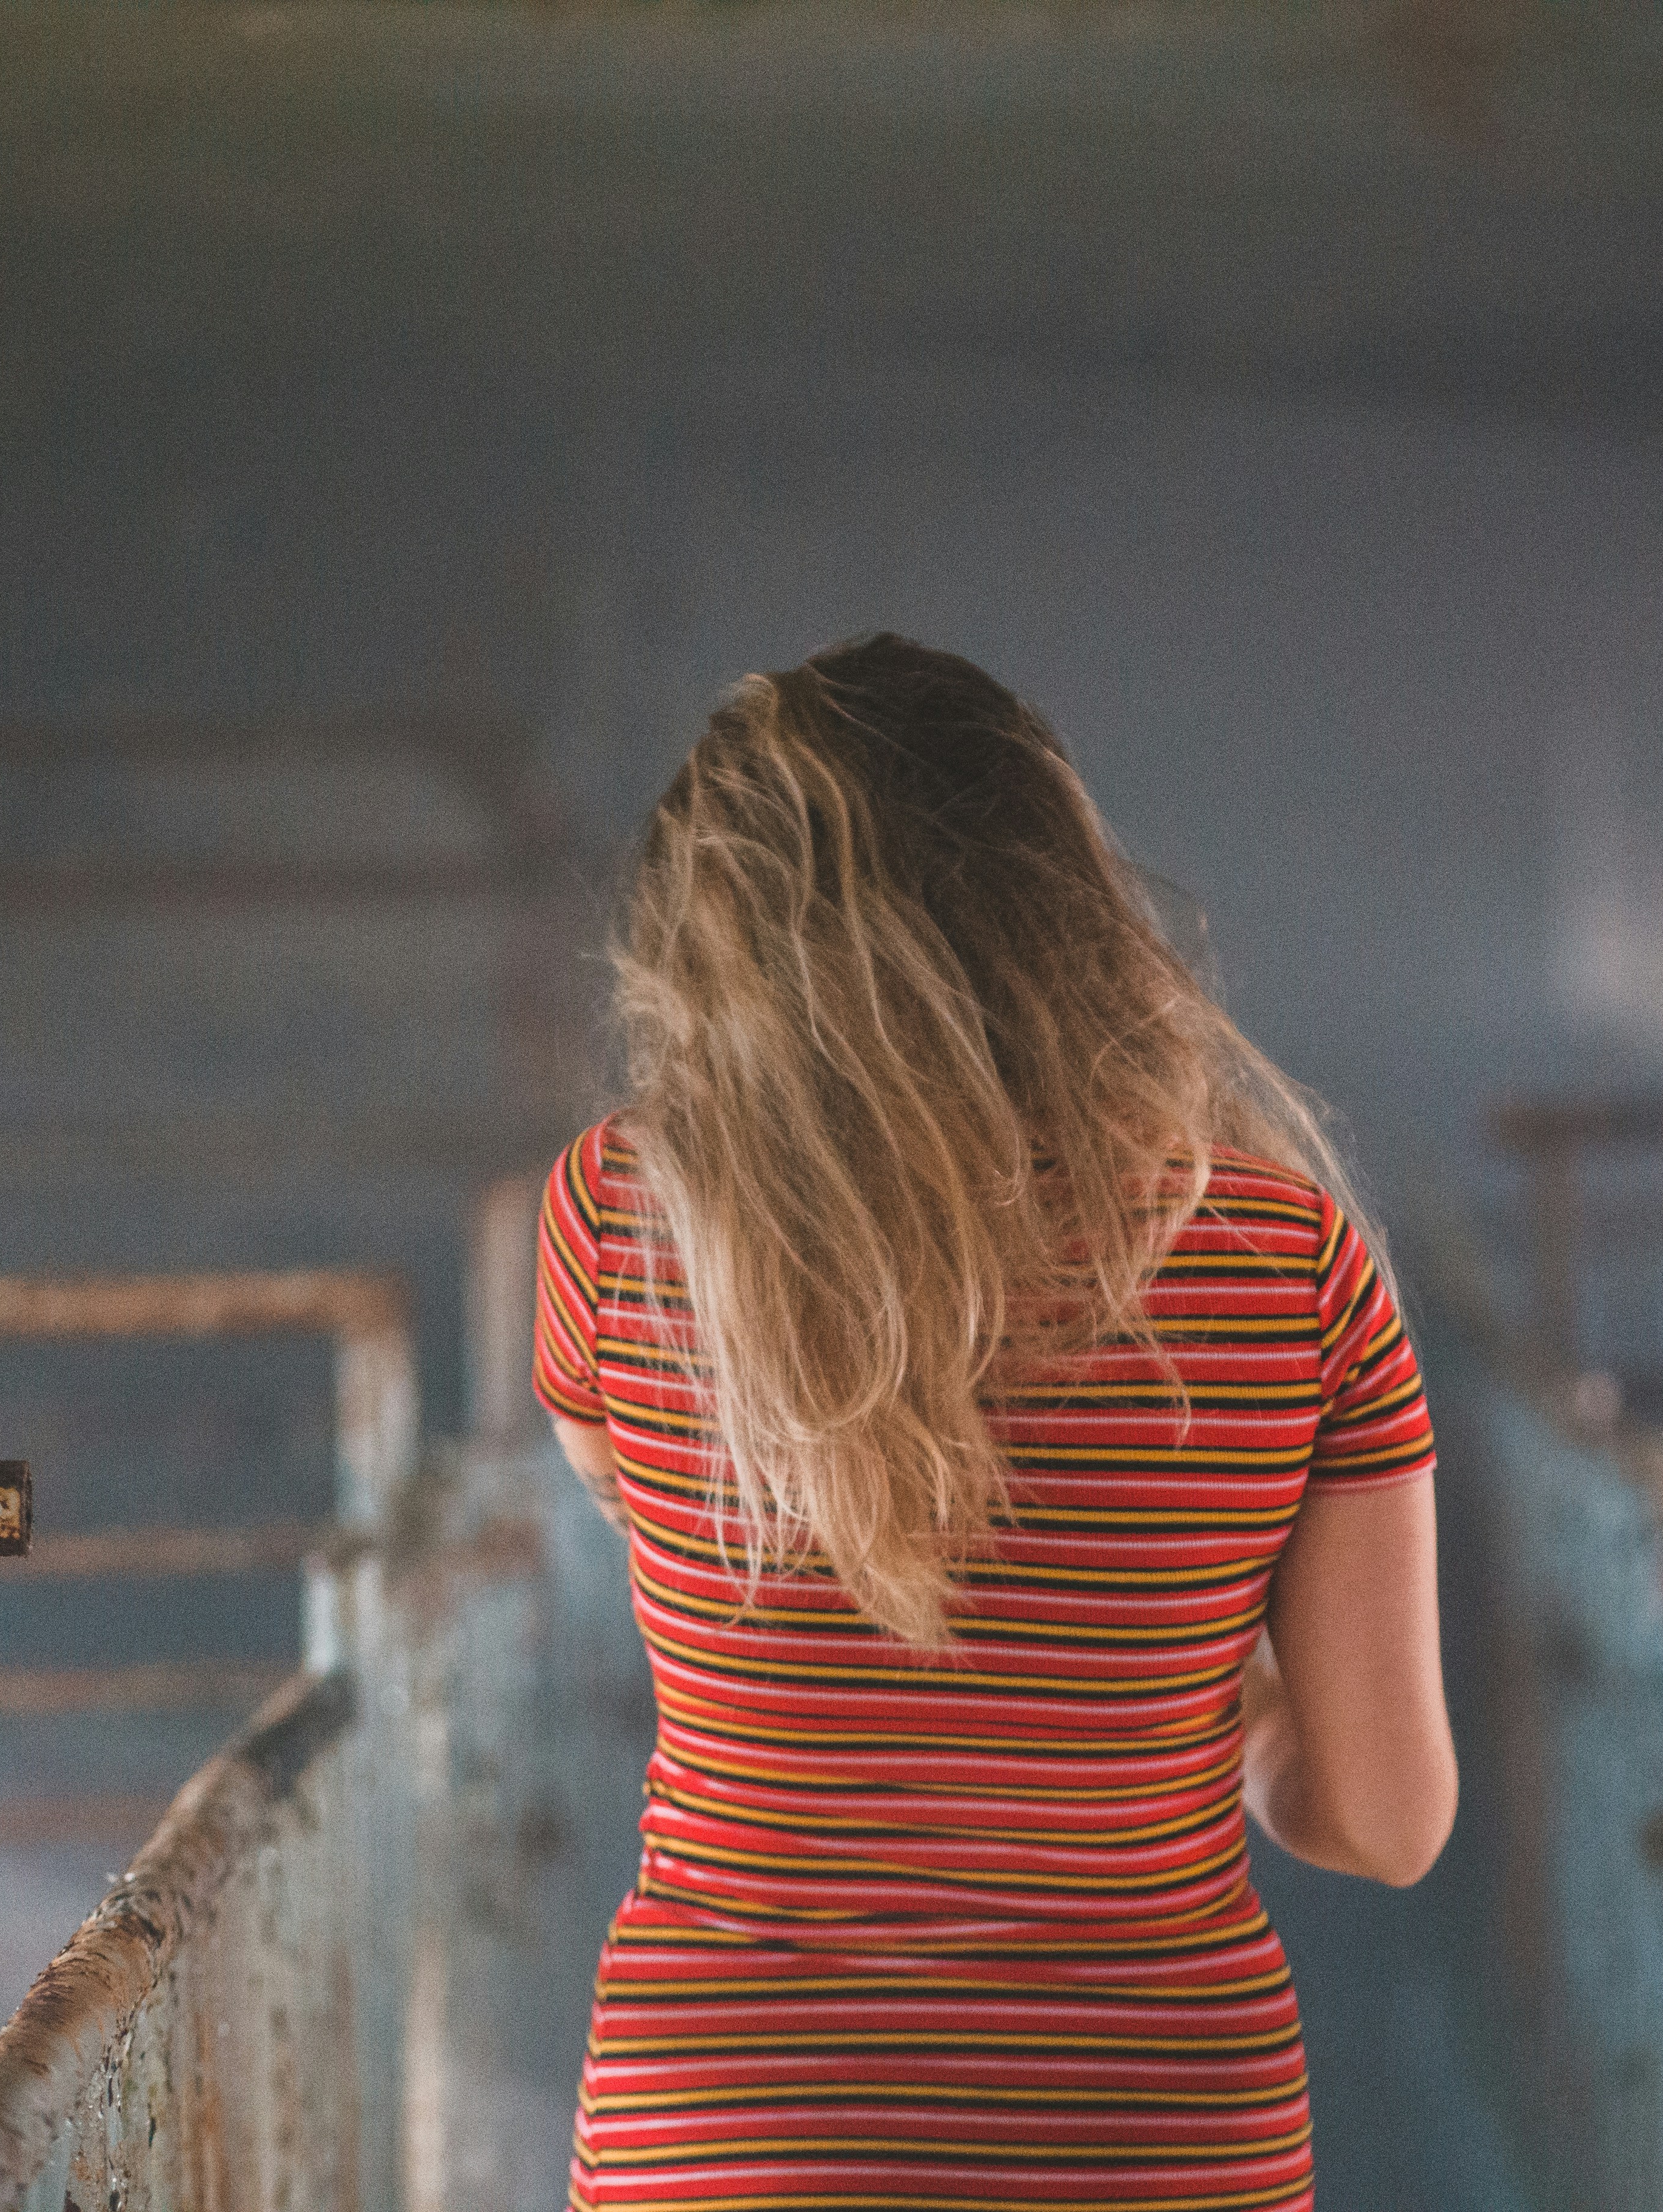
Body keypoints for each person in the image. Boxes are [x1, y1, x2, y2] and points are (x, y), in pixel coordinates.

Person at [534, 634, 1455, 2212]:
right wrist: (1229, 1705)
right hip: (1151, 2154)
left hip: (736, 2154)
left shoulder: (620, 1223)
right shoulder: (1286, 1264)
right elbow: (1384, 1822)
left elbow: (620, 1489)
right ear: (1069, 916)